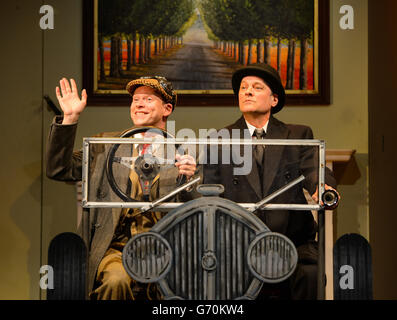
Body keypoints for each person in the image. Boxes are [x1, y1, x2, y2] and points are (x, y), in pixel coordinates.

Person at [46, 76, 198, 300]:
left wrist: (191, 178)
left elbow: (200, 206)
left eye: (148, 99)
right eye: (135, 99)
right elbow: (59, 168)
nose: (139, 104)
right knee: (115, 282)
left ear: (167, 108)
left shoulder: (185, 152)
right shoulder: (104, 145)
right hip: (116, 248)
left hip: (167, 249)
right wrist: (70, 118)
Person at [203, 64, 339, 300]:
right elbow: (207, 190)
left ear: (274, 99)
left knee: (311, 272)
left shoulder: (297, 134)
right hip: (239, 243)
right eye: (243, 88)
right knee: (217, 270)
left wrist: (321, 187)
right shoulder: (219, 139)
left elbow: (314, 169)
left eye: (256, 87)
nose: (247, 92)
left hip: (292, 241)